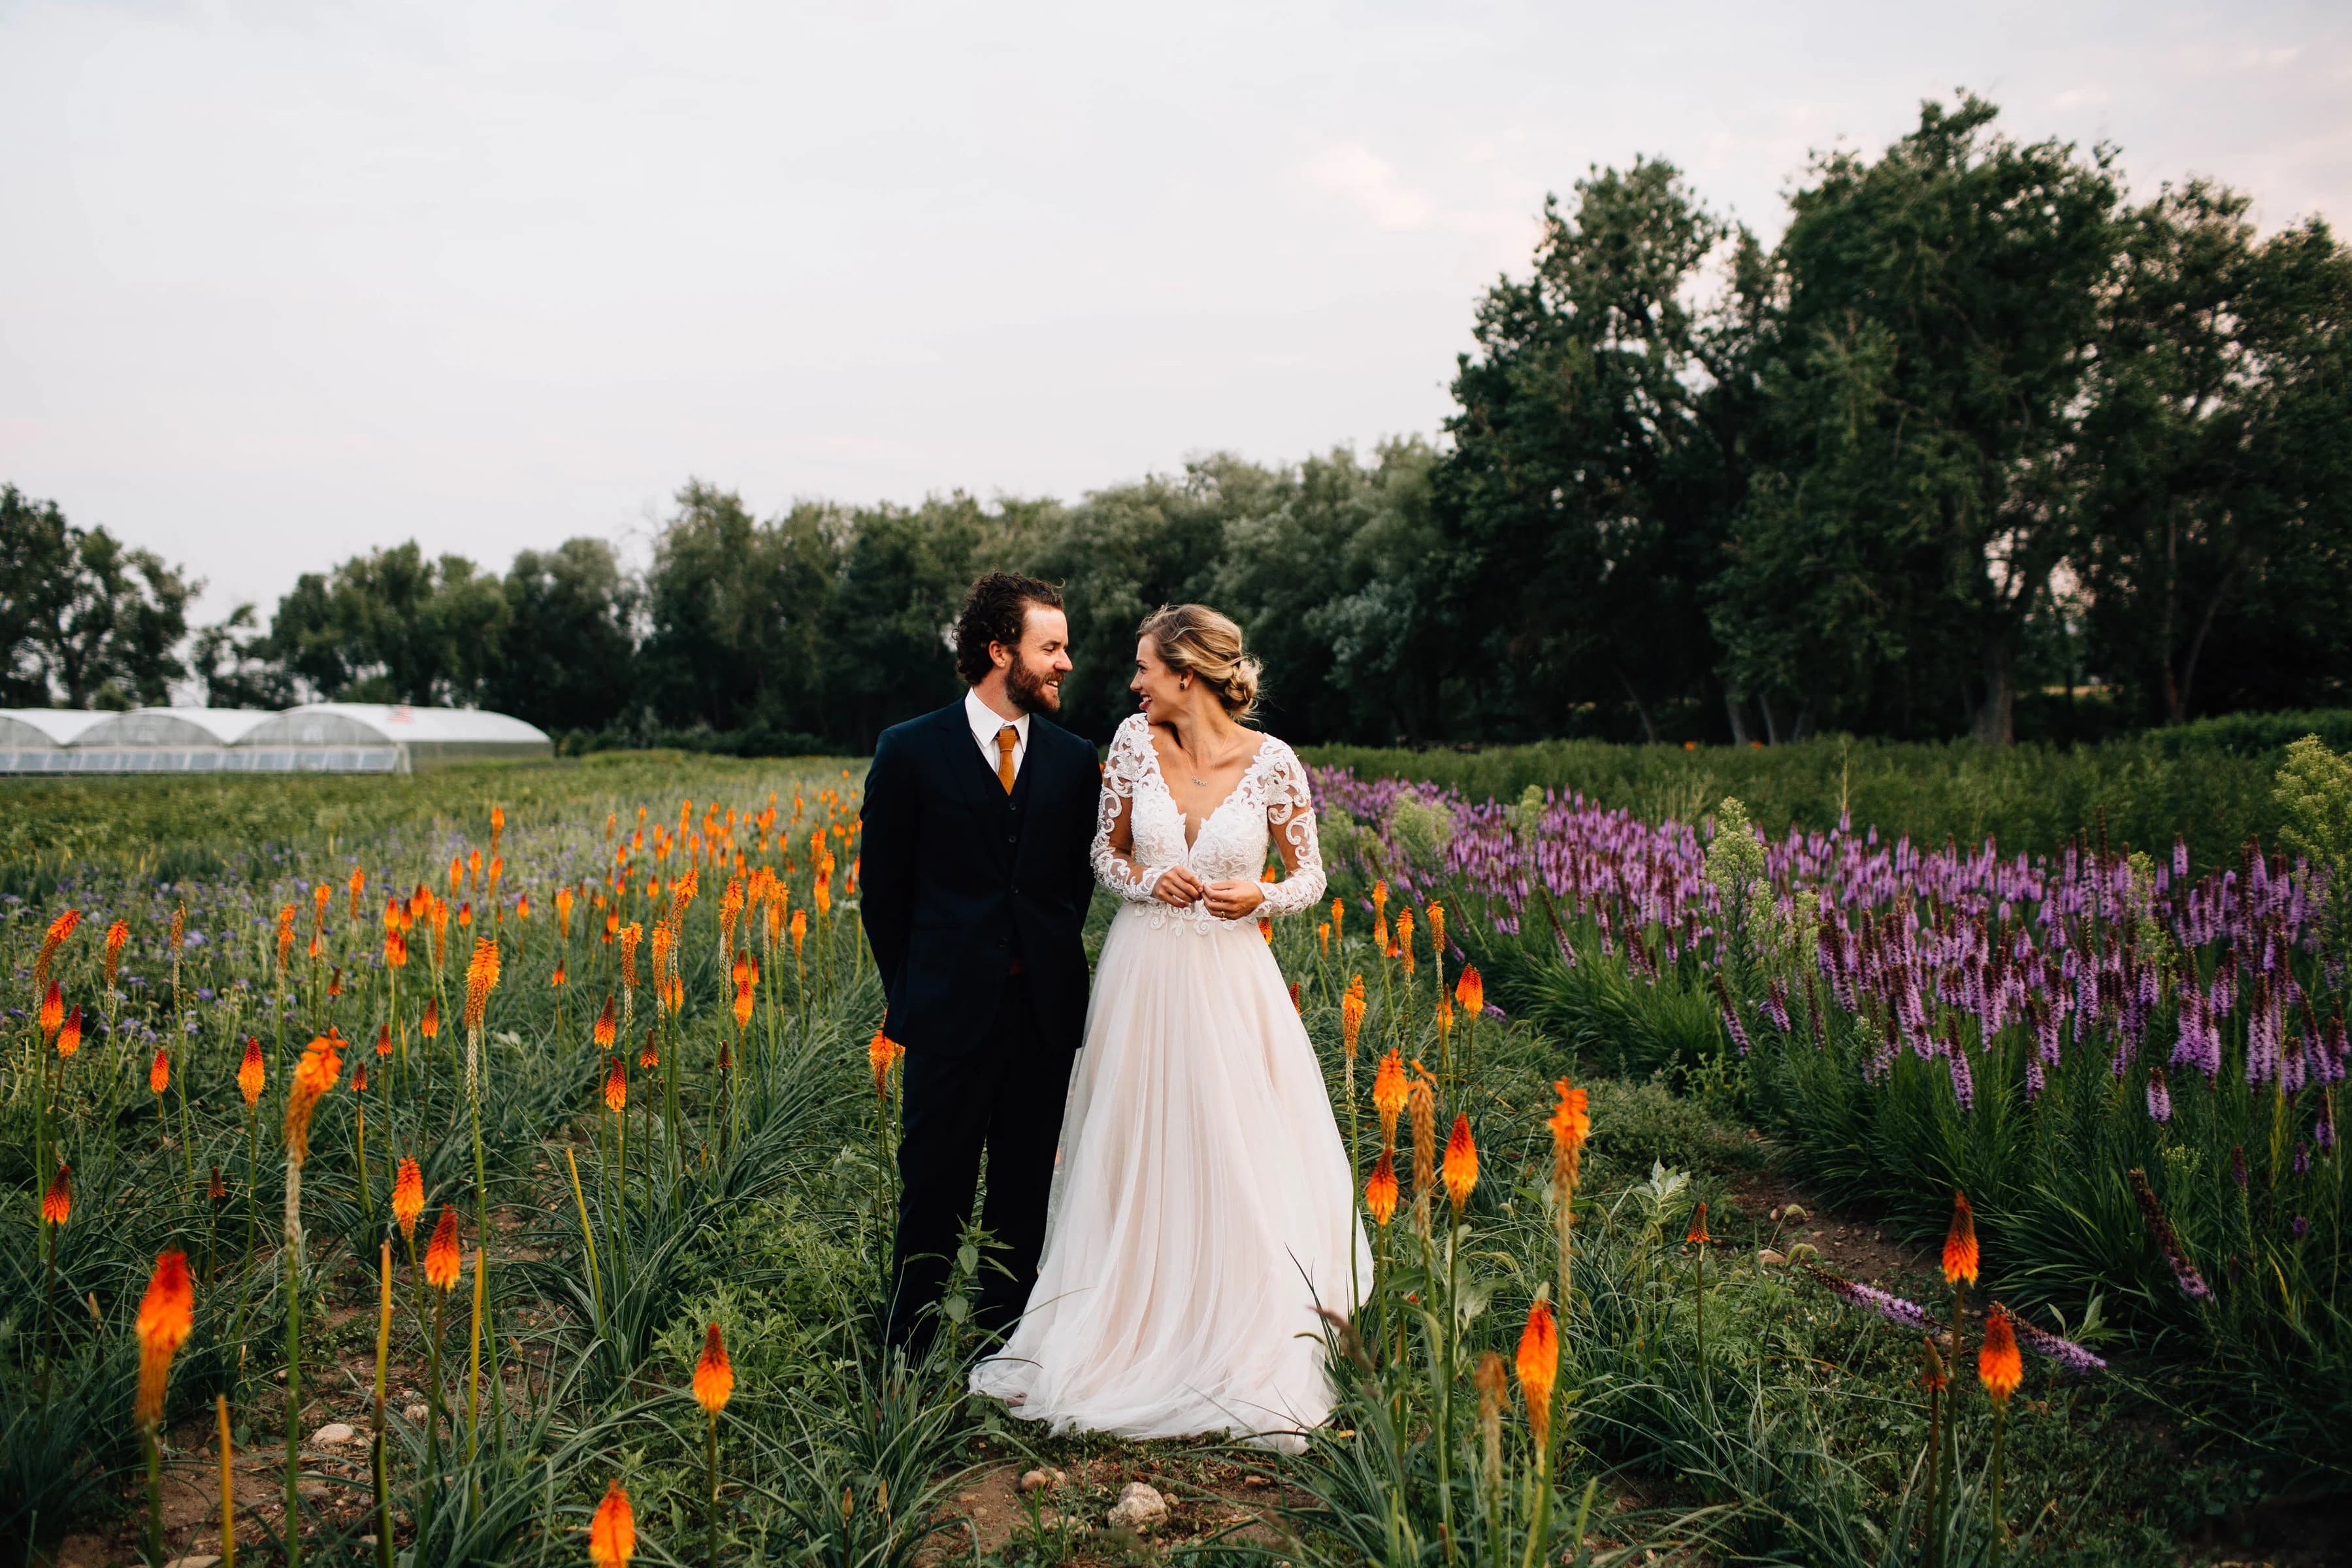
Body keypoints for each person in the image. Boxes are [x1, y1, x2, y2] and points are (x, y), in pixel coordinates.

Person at [971, 602, 1369, 1451]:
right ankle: (1126, 1312)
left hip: (1231, 977)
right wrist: (1152, 882)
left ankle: (1240, 1323)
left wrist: (1259, 895)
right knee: (1137, 1140)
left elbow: (1311, 876)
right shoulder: (1129, 744)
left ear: (1186, 674)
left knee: (1234, 1144)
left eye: (1145, 666)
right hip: (1142, 973)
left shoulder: (1274, 764)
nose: (1132, 679)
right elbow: (1106, 858)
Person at [859, 572, 1100, 1356]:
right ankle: (910, 1354)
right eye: (1051, 646)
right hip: (946, 1017)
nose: (1066, 662)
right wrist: (917, 993)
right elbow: (882, 896)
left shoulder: (1073, 760)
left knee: (1025, 1192)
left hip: (1042, 1018)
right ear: (1001, 651)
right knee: (933, 1188)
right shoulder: (909, 750)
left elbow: (1073, 886)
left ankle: (1009, 1349)